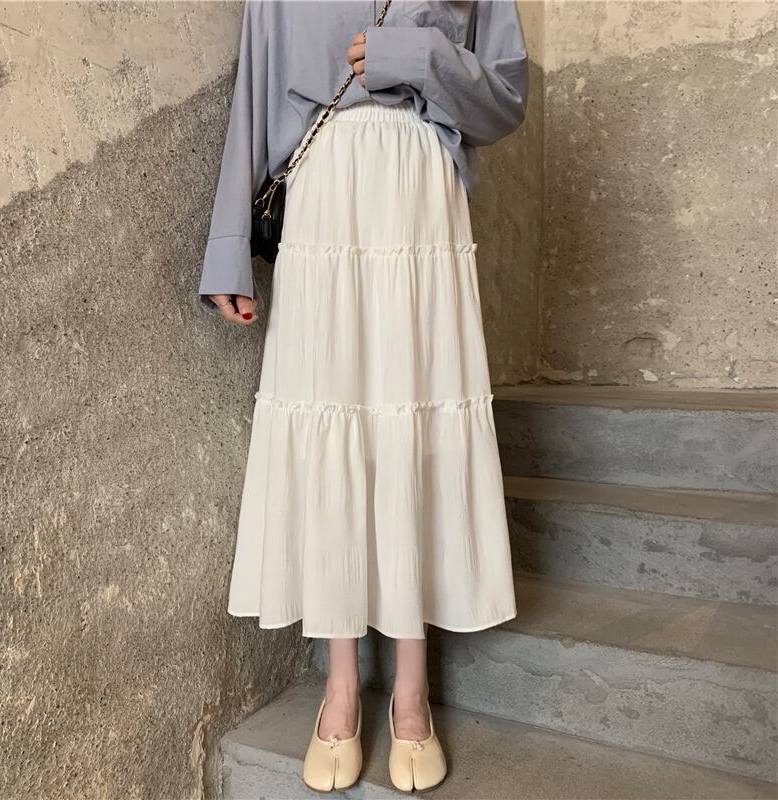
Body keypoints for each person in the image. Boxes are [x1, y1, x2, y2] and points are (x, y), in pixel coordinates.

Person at [198, 0, 529, 792]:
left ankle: (411, 689)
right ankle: (341, 684)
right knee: (331, 419)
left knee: (417, 422)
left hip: (420, 191)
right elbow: (257, 91)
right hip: (325, 192)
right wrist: (228, 249)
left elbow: (506, 95)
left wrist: (420, 57)